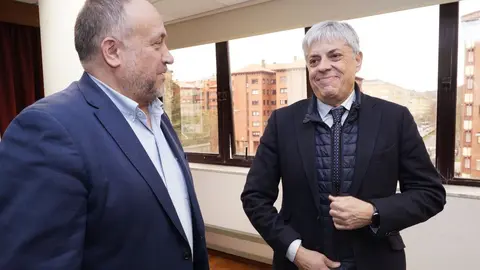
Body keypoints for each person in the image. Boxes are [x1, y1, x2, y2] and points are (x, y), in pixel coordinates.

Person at [0, 0, 209, 269]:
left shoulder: (158, 116)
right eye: (157, 44)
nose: (169, 56)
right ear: (112, 51)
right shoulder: (47, 130)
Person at [240, 21, 446, 270]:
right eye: (314, 61)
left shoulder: (395, 118)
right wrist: (296, 252)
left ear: (357, 60)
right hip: (302, 263)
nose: (323, 66)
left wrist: (373, 211)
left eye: (334, 56)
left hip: (375, 261)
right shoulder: (283, 122)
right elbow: (255, 197)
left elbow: (430, 194)